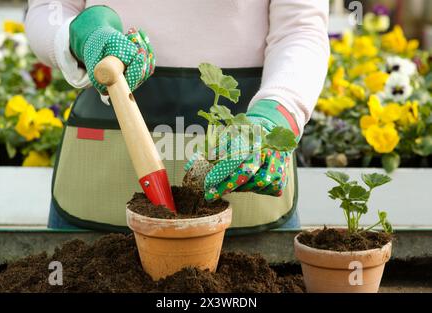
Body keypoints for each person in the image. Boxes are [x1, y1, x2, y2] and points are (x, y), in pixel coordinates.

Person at [25, 0, 330, 233]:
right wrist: (81, 36)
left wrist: (274, 114)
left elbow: (300, 29)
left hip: (244, 155)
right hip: (103, 158)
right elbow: (50, 9)